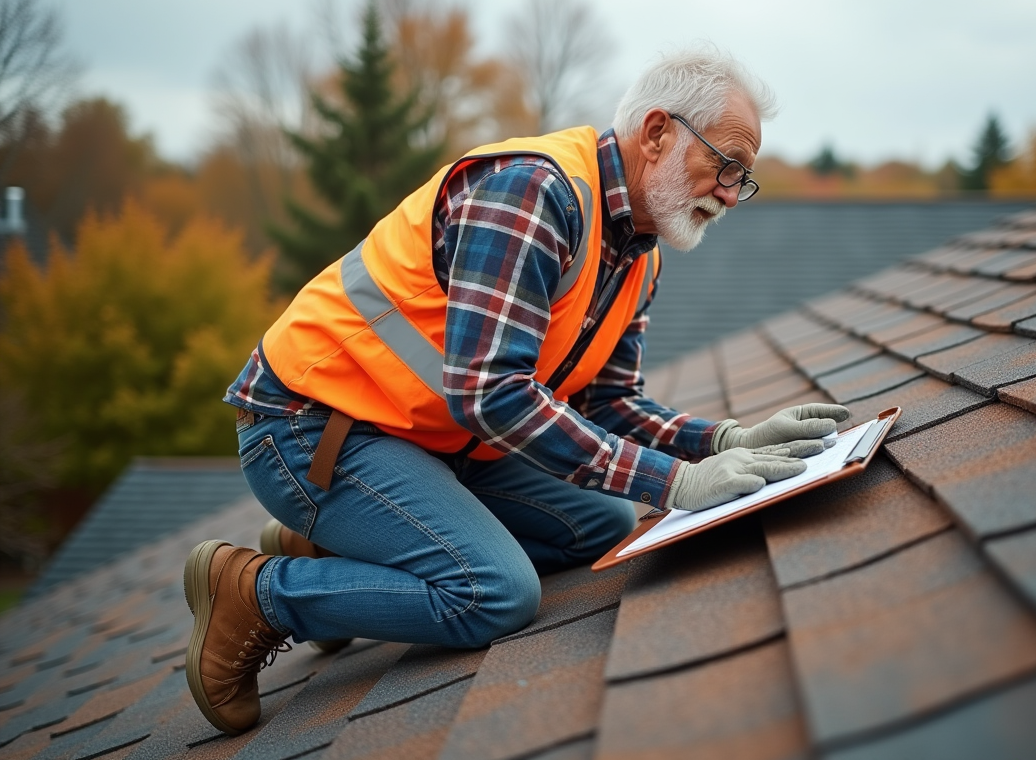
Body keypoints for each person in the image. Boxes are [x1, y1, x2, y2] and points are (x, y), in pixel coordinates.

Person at [183, 46, 851, 734]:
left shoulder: (636, 254)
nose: (732, 194)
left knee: (601, 523)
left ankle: (344, 546)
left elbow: (609, 403)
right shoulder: (533, 195)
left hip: (424, 437)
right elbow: (491, 395)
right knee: (493, 592)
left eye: (745, 178)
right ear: (657, 133)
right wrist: (676, 482)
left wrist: (725, 440)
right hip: (311, 427)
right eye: (726, 165)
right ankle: (258, 594)